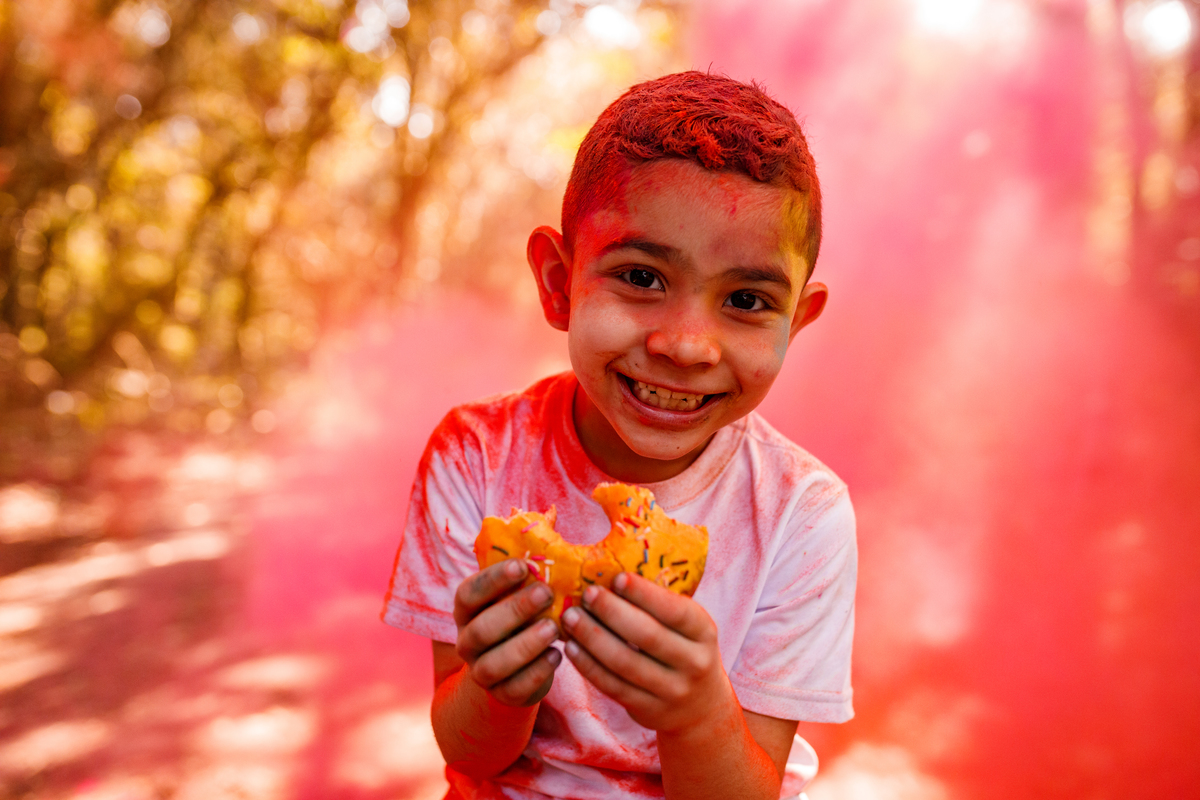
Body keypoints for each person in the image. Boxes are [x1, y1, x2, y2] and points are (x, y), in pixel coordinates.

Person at [383, 71, 856, 800]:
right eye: (641, 277)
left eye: (745, 299)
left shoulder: (802, 512)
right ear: (558, 282)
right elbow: (469, 753)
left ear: (795, 322)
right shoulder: (476, 454)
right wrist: (498, 686)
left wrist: (696, 713)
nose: (687, 345)